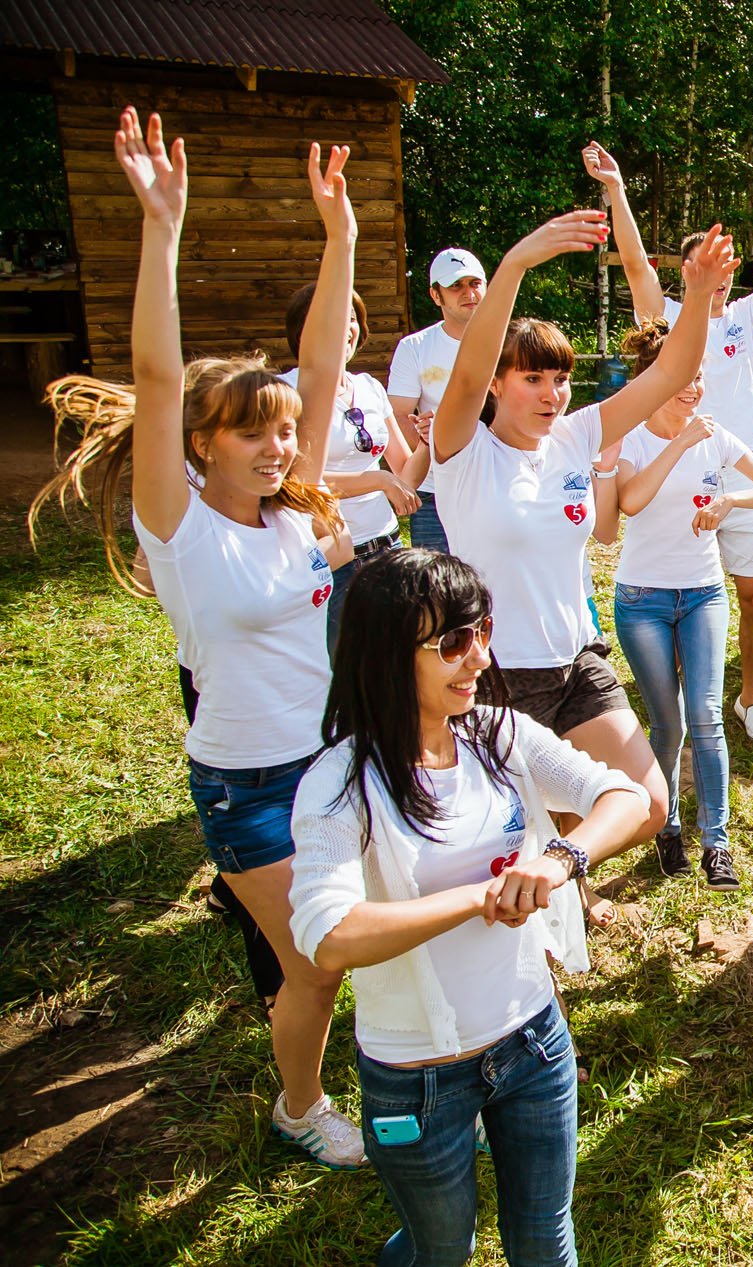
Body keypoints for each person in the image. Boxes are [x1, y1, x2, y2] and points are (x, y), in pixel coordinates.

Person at [30, 110, 364, 1165]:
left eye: (280, 429)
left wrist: (341, 231)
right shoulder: (178, 528)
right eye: (251, 431)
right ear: (201, 445)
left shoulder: (298, 505)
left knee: (348, 947)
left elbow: (319, 370)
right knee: (314, 964)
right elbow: (159, 372)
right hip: (248, 782)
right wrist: (161, 226)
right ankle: (300, 1107)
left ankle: (386, 1060)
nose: (276, 445)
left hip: (335, 758)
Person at [288, 550, 651, 1267]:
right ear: (387, 653)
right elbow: (329, 936)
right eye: (452, 642)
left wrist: (560, 858)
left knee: (546, 1239)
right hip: (415, 1076)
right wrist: (478, 897)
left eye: (482, 629)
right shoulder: (339, 783)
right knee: (441, 1248)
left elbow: (628, 796)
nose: (478, 656)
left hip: (534, 1042)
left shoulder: (497, 734)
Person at [430, 208, 738, 880]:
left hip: (577, 664)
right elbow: (464, 372)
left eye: (560, 379)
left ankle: (560, 871)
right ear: (497, 385)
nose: (551, 394)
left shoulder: (575, 434)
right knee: (504, 831)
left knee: (649, 801)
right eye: (532, 379)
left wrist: (696, 293)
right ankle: (556, 891)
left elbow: (671, 369)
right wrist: (514, 264)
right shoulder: (461, 451)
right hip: (496, 678)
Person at [591, 143, 753, 741]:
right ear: (689, 271)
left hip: (737, 471)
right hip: (673, 470)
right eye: (704, 262)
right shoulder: (667, 316)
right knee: (680, 594)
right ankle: (679, 692)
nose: (718, 272)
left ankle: (748, 696)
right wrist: (616, 189)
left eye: (725, 263)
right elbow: (633, 266)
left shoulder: (744, 319)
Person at [595, 320, 753, 888]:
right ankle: (667, 829)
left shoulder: (716, 434)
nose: (695, 389)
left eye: (701, 378)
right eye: (685, 378)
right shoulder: (632, 437)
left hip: (704, 593)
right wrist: (680, 442)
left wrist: (733, 497)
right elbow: (630, 502)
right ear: (656, 379)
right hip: (642, 601)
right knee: (667, 725)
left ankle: (717, 843)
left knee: (707, 717)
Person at [280, 282, 424, 651]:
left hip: (387, 547)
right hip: (332, 556)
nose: (344, 327)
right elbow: (291, 480)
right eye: (330, 318)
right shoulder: (284, 392)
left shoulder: (369, 386)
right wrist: (375, 479)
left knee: (395, 663)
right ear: (302, 330)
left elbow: (404, 471)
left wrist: (429, 441)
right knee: (339, 673)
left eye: (350, 318)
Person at [387, 246, 487, 555]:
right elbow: (400, 413)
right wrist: (422, 455)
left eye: (474, 283)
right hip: (436, 491)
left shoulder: (509, 341)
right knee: (438, 589)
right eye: (455, 285)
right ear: (435, 295)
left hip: (495, 481)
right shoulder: (414, 348)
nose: (468, 293)